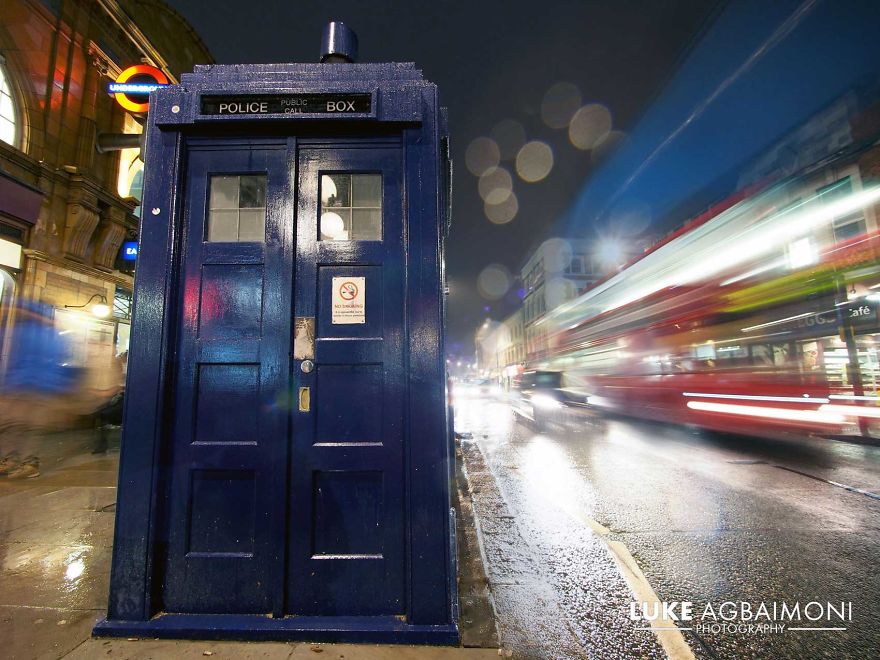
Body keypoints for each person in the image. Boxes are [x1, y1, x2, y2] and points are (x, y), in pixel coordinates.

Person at [0, 300, 79, 479]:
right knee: (20, 427)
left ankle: (24, 462)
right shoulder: (51, 335)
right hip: (30, 387)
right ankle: (17, 461)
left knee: (20, 427)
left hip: (32, 387)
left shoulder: (16, 333)